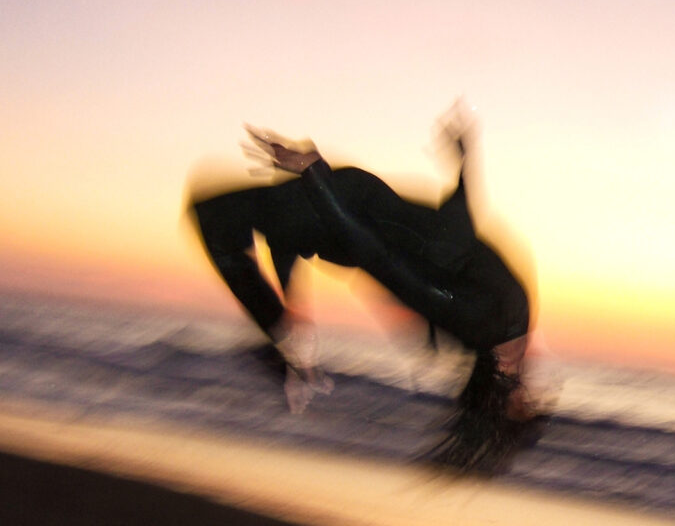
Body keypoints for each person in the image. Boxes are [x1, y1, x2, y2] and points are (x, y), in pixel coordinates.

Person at [191, 109, 543, 471]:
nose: (534, 389)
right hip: (344, 210)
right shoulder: (502, 320)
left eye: (527, 401)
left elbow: (394, 256)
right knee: (221, 220)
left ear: (508, 394)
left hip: (342, 212)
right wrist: (315, 175)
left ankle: (286, 340)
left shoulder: (495, 320)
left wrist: (316, 176)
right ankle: (286, 341)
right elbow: (443, 238)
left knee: (218, 219)